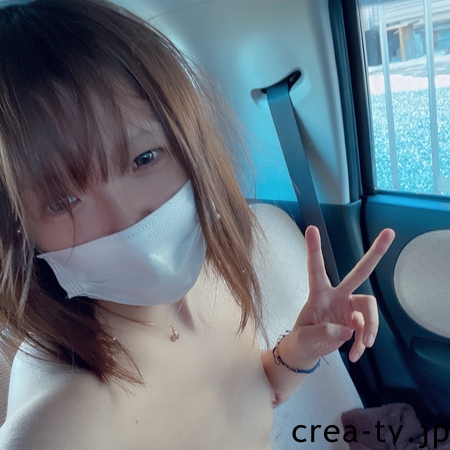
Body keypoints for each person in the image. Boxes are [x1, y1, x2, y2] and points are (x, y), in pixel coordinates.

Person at [0, 0, 395, 448]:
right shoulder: (56, 426)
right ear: (19, 232)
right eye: (62, 201)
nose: (127, 222)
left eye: (144, 158)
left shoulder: (215, 274)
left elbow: (251, 399)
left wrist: (298, 351)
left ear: (189, 143)